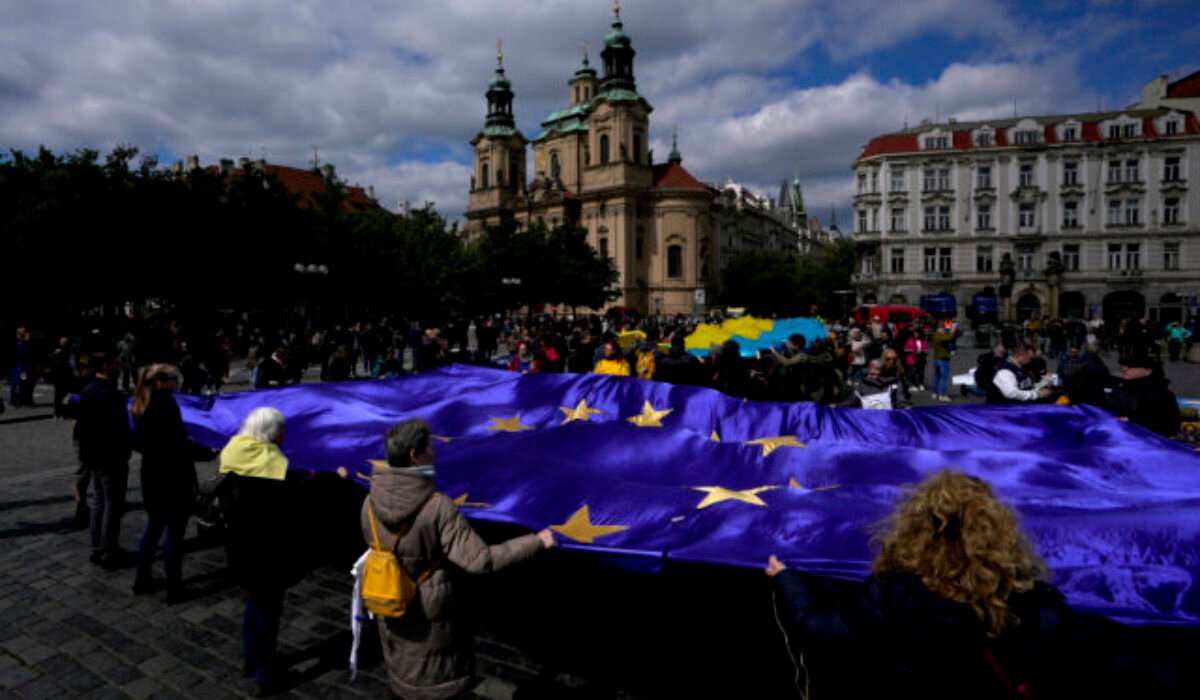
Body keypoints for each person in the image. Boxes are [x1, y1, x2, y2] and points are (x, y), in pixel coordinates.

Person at [766, 470, 1147, 698]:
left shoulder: (892, 593)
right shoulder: (1031, 603)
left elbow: (819, 629)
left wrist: (786, 579)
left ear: (914, 526)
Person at [364, 418, 556, 700]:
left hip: (389, 600)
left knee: (405, 672)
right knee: (435, 680)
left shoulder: (368, 503)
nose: (435, 452)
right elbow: (481, 561)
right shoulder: (437, 507)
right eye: (429, 447)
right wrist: (536, 542)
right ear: (415, 455)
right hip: (432, 614)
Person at [218, 408, 299, 694]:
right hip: (266, 550)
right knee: (268, 612)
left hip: (239, 546)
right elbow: (289, 507)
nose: (285, 433)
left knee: (254, 604)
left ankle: (249, 657)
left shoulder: (235, 452)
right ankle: (265, 674)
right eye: (281, 429)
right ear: (269, 432)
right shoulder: (274, 464)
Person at [130, 364, 199, 603]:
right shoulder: (165, 403)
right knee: (175, 531)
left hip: (151, 472)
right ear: (160, 381)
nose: (177, 382)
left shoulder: (140, 403)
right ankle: (174, 587)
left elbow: (141, 442)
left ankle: (142, 579)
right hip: (172, 474)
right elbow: (176, 444)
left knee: (154, 527)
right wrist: (197, 448)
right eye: (173, 378)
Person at [75, 353, 134, 568]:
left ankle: (97, 547)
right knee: (113, 504)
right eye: (116, 362)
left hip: (93, 455)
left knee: (100, 502)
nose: (120, 365)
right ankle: (109, 549)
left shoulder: (89, 389)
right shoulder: (110, 393)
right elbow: (120, 429)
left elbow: (81, 428)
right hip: (111, 456)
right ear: (107, 366)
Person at [1107, 354, 1182, 438]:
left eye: (1132, 366)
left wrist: (1132, 422)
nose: (1124, 369)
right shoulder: (1121, 388)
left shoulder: (1160, 394)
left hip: (1145, 441)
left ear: (1148, 371)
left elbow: (1170, 425)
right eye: (1123, 366)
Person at [986, 343, 1053, 404]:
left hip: (1021, 407)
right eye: (1029, 359)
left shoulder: (1021, 366)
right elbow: (1011, 393)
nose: (1030, 362)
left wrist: (1041, 388)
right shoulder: (1005, 371)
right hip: (1006, 411)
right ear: (1018, 356)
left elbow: (1026, 387)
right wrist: (1038, 394)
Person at [930, 321, 956, 402]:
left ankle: (935, 393)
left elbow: (948, 338)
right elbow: (948, 338)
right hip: (942, 360)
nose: (945, 330)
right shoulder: (938, 336)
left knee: (937, 377)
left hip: (937, 359)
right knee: (943, 378)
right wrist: (952, 330)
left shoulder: (936, 335)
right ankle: (942, 395)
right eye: (944, 329)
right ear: (939, 329)